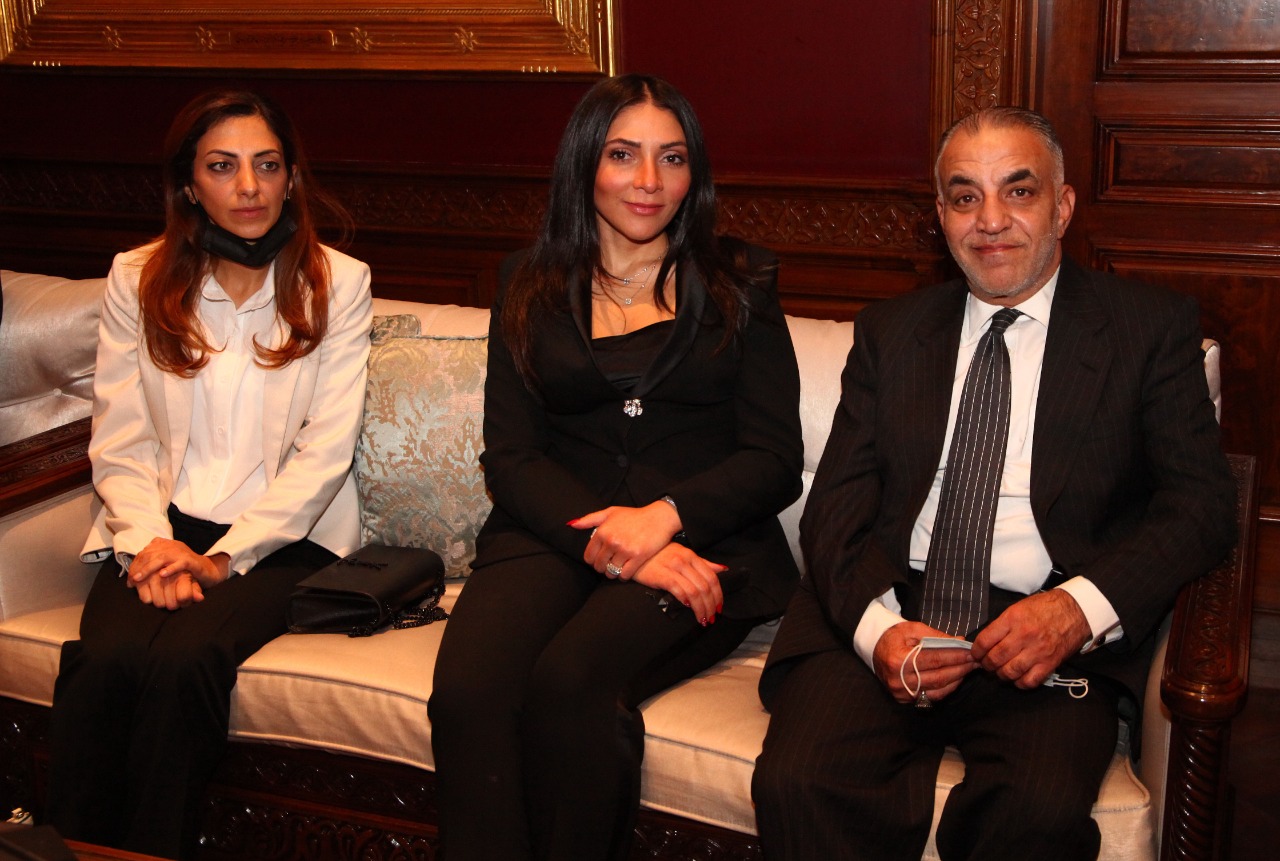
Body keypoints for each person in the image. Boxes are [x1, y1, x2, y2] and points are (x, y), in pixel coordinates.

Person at [751, 106, 1237, 861]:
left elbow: (1202, 505)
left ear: (1062, 207)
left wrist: (1077, 610)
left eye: (1019, 191)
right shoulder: (890, 332)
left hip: (1044, 630)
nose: (990, 220)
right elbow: (835, 508)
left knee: (1033, 814)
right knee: (798, 783)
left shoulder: (1146, 331)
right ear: (941, 215)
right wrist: (877, 634)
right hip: (896, 604)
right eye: (965, 196)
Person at [428, 73, 803, 861]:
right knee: (468, 691)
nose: (649, 180)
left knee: (571, 684)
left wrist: (664, 521)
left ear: (694, 173)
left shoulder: (742, 280)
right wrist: (620, 546)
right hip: (554, 532)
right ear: (584, 164)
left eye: (673, 157)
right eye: (623, 154)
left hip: (704, 544)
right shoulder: (526, 282)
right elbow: (512, 456)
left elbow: (775, 459)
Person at [45, 90, 372, 859]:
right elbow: (120, 436)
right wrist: (150, 543)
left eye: (267, 165)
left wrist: (224, 557)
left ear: (292, 178)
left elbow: (324, 453)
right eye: (223, 167)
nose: (249, 187)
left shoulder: (339, 280)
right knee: (104, 661)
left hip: (285, 539)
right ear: (189, 184)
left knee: (186, 657)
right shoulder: (136, 277)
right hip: (162, 524)